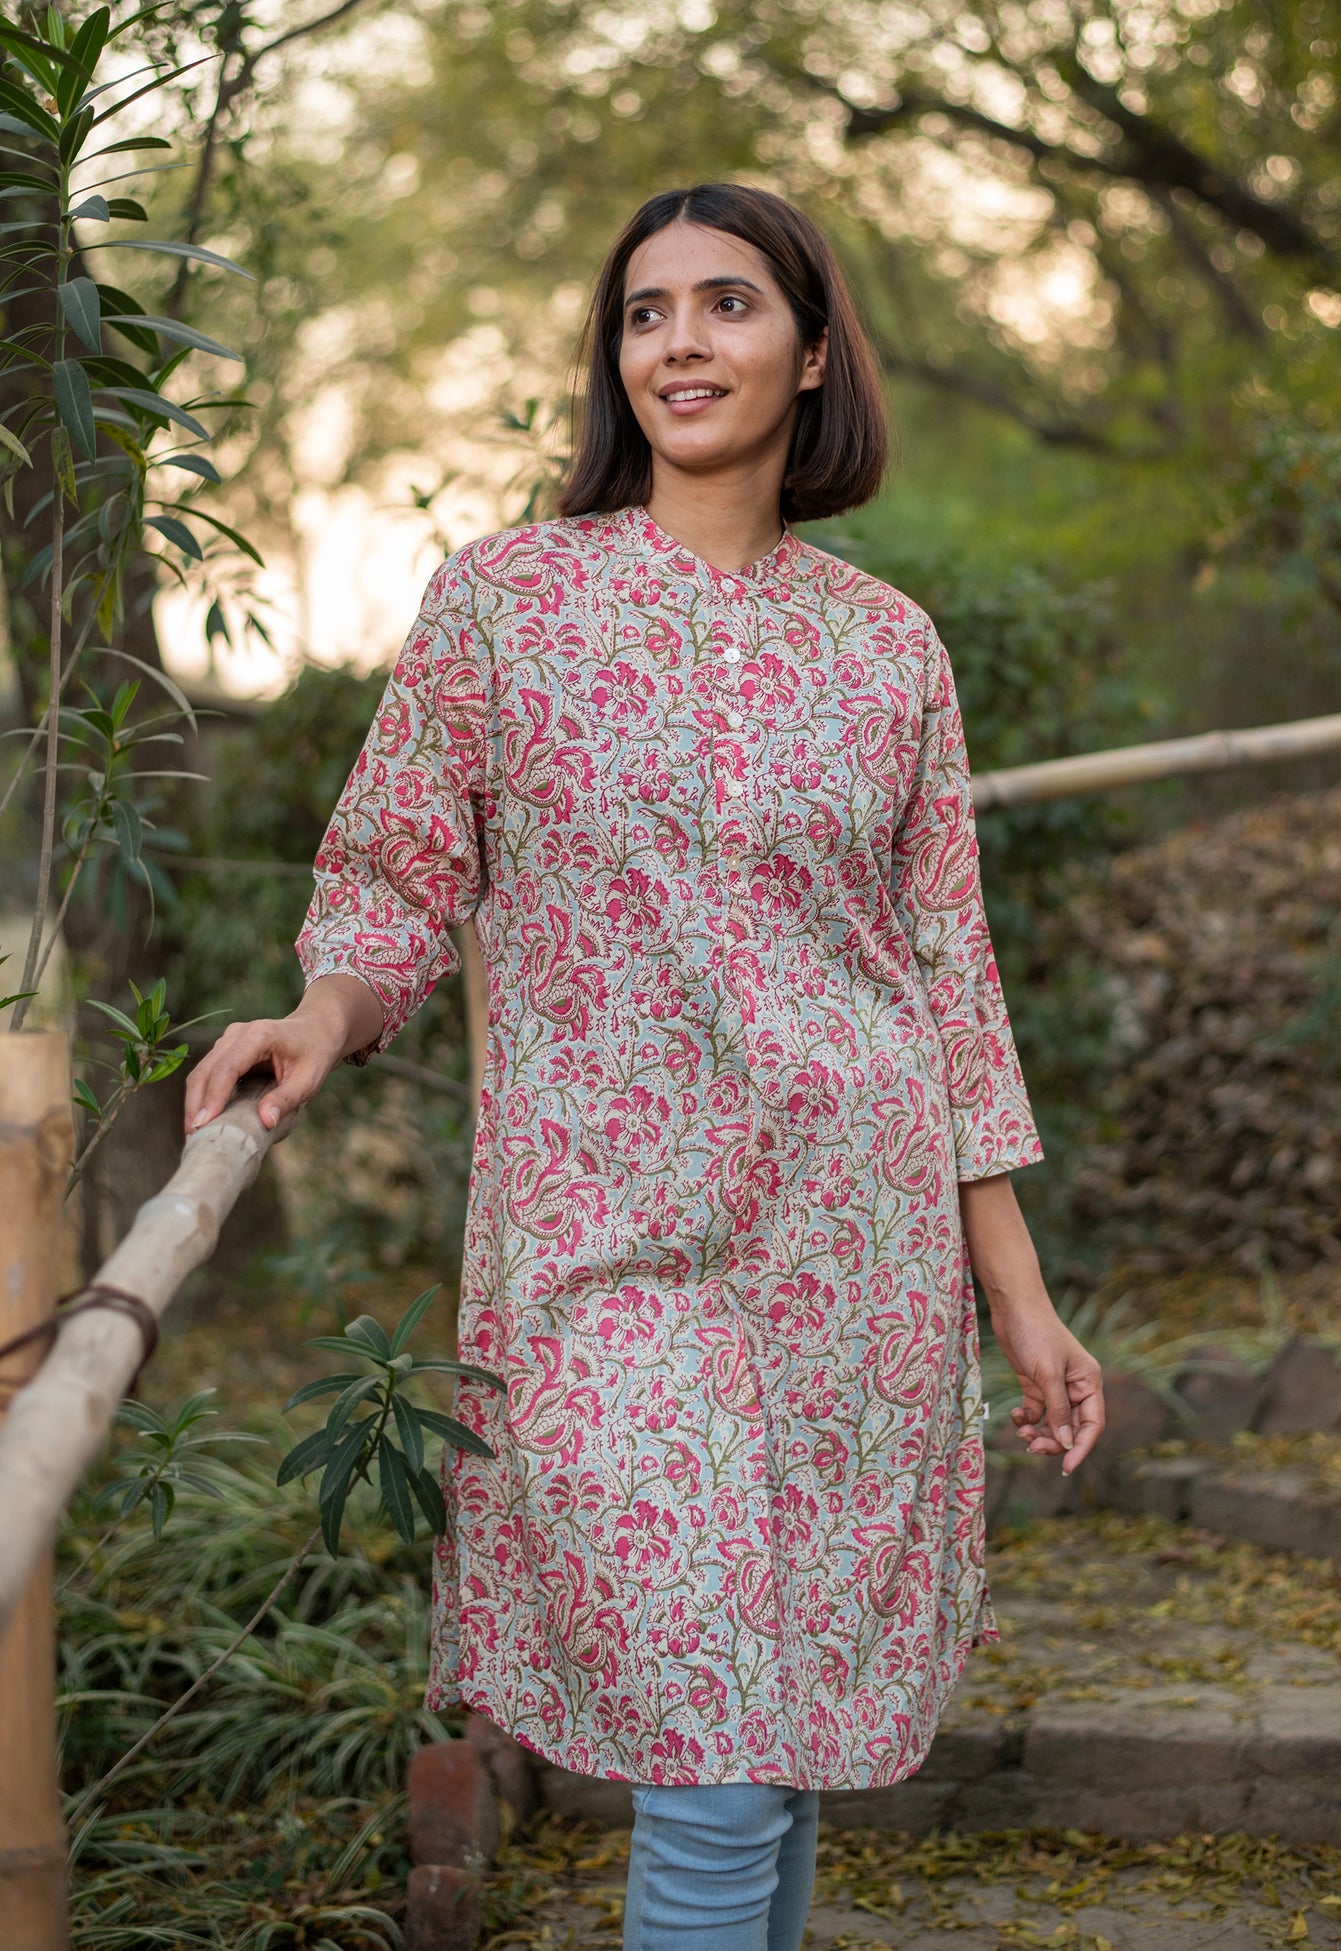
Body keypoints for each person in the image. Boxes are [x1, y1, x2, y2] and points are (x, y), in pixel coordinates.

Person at [185, 181, 1105, 1951]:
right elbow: (392, 878)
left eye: (727, 304)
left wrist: (1021, 1299)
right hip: (599, 1259)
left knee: (772, 1737)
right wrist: (319, 1017)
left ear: (812, 352)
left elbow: (945, 977)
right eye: (644, 312)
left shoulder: (885, 648)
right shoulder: (505, 604)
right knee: (716, 1730)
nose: (679, 341)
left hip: (854, 1255)